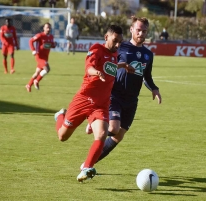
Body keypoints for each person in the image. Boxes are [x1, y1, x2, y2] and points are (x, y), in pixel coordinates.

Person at [54, 25, 135, 182]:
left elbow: (109, 67)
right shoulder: (96, 49)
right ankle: (60, 116)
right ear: (106, 37)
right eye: (115, 41)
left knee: (102, 134)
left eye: (120, 42)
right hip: (84, 99)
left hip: (101, 104)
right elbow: (89, 67)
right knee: (62, 136)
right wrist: (96, 72)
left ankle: (86, 168)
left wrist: (123, 65)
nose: (118, 45)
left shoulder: (115, 54)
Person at [85, 16, 162, 166]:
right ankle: (94, 123)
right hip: (115, 94)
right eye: (138, 30)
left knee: (118, 136)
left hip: (132, 100)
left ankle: (88, 165)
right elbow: (106, 61)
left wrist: (154, 88)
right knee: (113, 128)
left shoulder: (148, 55)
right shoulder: (121, 47)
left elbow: (146, 75)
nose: (141, 33)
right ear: (131, 29)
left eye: (144, 31)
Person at [25, 23, 56, 92]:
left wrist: (54, 45)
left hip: (45, 57)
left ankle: (29, 85)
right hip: (39, 56)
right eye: (47, 27)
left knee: (37, 72)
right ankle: (36, 81)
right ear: (43, 28)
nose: (48, 29)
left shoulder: (51, 36)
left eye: (49, 28)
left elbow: (51, 45)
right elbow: (31, 41)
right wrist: (33, 50)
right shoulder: (40, 35)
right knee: (47, 69)